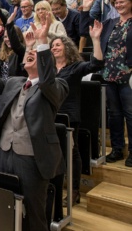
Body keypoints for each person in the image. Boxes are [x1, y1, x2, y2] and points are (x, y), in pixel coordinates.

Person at [0, 15, 69, 231]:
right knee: (4, 206)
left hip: (32, 157)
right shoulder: (14, 82)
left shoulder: (57, 86)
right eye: (29, 52)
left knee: (33, 211)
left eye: (35, 54)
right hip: (3, 151)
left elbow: (47, 81)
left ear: (48, 64)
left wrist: (43, 41)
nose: (29, 54)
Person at [50, 24, 104, 209]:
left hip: (68, 116)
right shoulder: (48, 67)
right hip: (49, 115)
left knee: (71, 154)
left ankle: (74, 191)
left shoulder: (75, 67)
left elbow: (96, 64)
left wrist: (95, 39)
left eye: (58, 45)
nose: (54, 48)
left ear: (66, 47)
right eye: (52, 46)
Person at [81, 0, 132, 166]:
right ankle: (118, 149)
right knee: (114, 115)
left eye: (122, 2)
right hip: (109, 75)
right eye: (116, 3)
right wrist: (86, 11)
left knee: (130, 114)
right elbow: (86, 30)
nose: (118, 5)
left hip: (129, 76)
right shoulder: (111, 22)